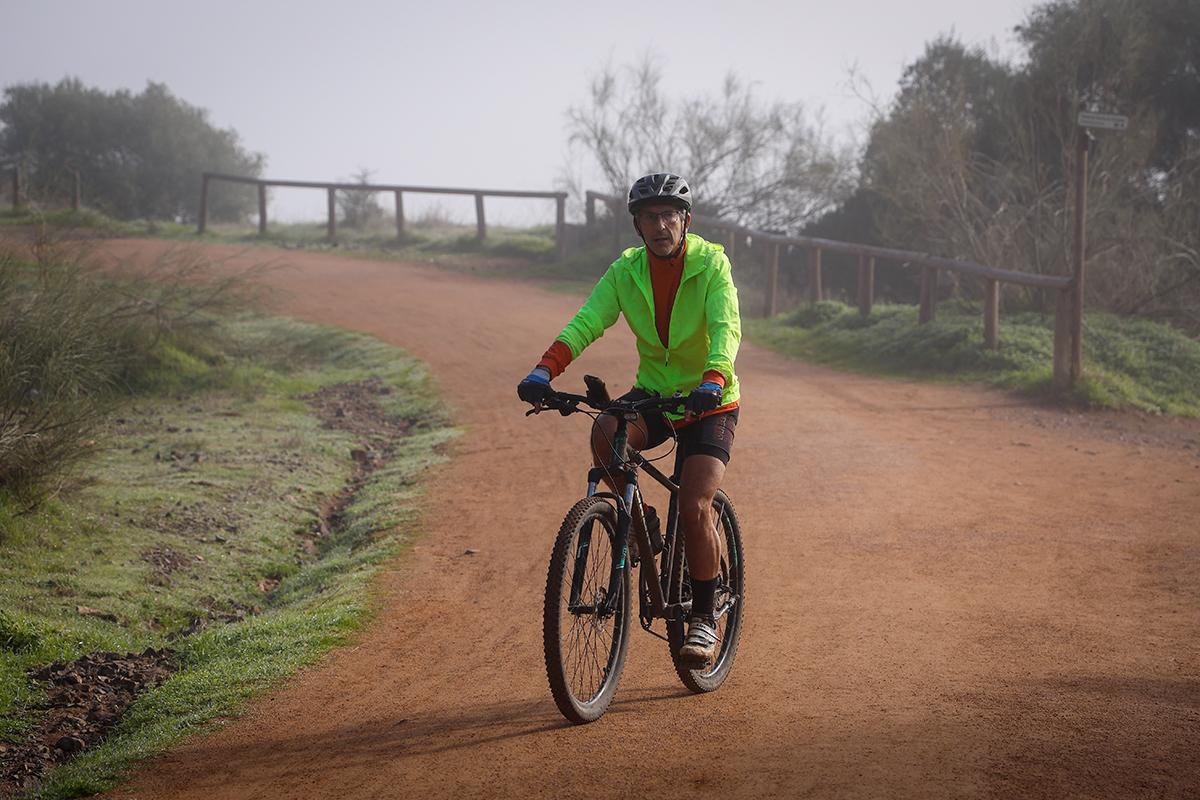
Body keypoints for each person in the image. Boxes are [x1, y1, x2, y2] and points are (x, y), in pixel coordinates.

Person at [517, 172, 741, 667]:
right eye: (649, 217)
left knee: (695, 502)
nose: (660, 225)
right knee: (605, 432)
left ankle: (704, 615)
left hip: (710, 399)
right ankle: (640, 527)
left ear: (686, 220)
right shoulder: (627, 270)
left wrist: (713, 379)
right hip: (657, 394)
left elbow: (726, 329)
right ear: (637, 226)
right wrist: (544, 369)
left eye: (669, 215)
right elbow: (587, 320)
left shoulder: (711, 264)